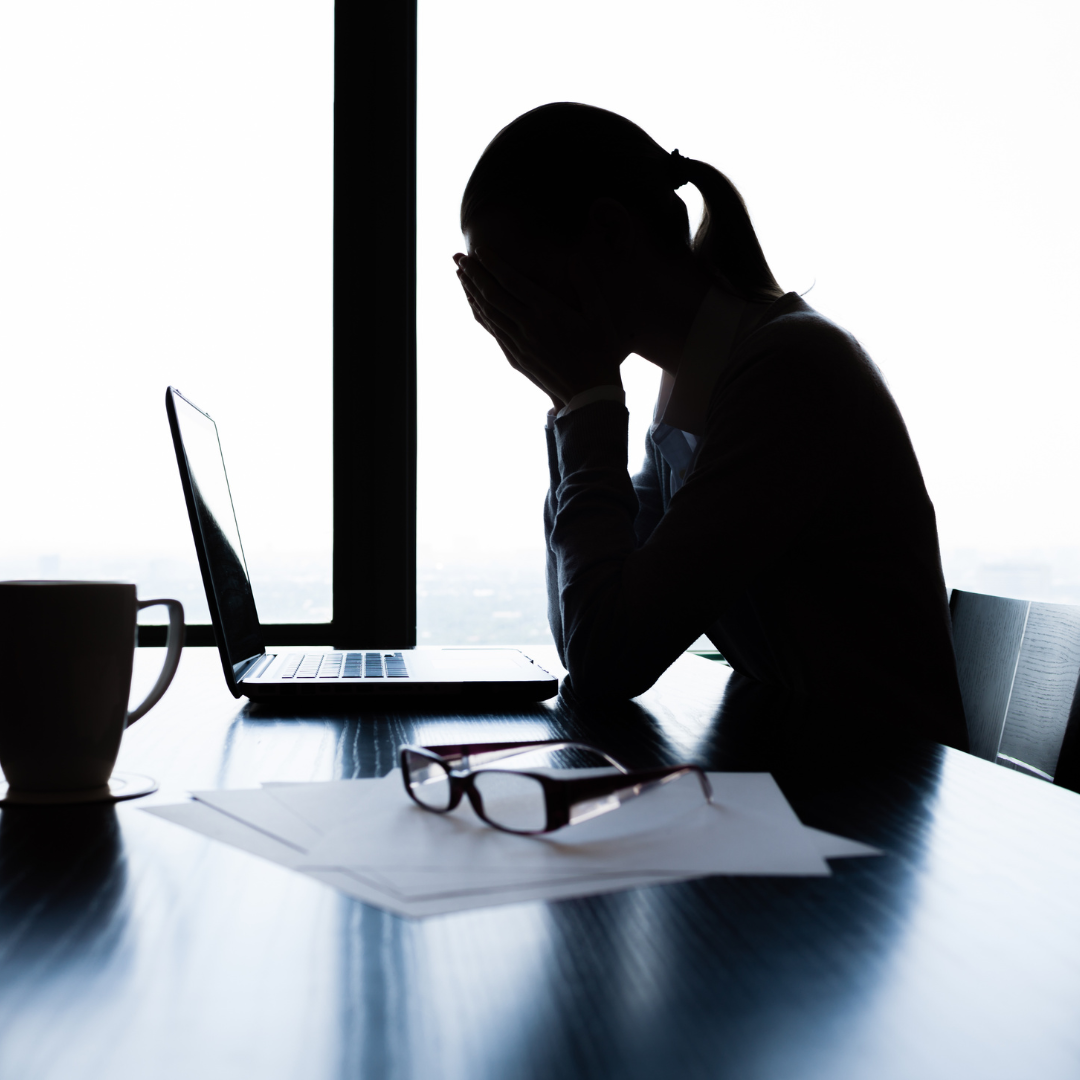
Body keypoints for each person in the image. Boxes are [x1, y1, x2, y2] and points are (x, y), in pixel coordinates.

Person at [453, 102, 967, 750]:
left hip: (881, 796)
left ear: (610, 233)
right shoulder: (698, 378)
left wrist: (585, 404)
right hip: (814, 771)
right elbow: (588, 629)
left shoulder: (790, 370)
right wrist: (572, 407)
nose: (513, 323)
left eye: (516, 289)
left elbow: (609, 657)